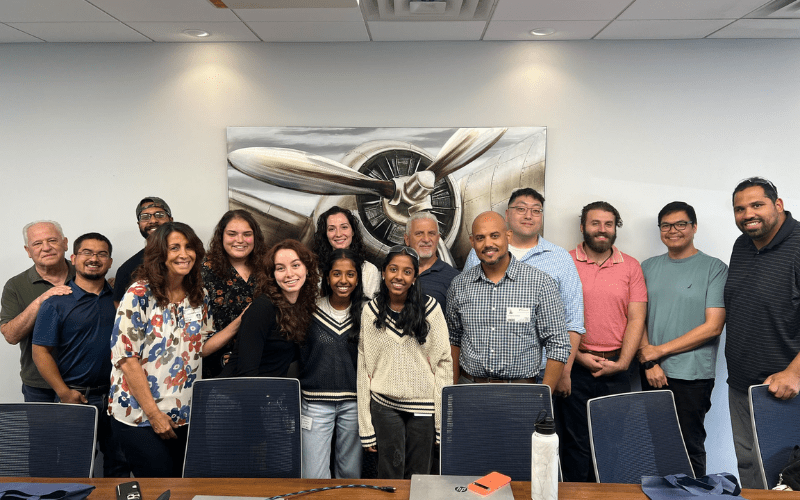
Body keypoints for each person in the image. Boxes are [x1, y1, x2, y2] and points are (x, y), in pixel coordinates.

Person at [109, 222, 240, 477]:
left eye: (189, 247)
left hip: (185, 412)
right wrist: (154, 414)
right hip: (141, 415)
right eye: (174, 248)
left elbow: (199, 347)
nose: (184, 254)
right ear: (160, 254)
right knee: (161, 487)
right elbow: (126, 358)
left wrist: (239, 323)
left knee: (189, 486)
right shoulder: (139, 294)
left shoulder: (198, 294)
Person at [556, 201, 647, 482]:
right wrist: (579, 356)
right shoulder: (564, 260)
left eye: (608, 224)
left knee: (612, 443)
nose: (601, 230)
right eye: (595, 223)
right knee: (575, 444)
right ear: (583, 226)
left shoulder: (631, 266)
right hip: (575, 366)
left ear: (615, 228)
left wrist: (621, 363)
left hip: (617, 369)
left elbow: (636, 318)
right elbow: (554, 314)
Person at [463, 189, 584, 396]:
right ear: (507, 215)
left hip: (541, 373)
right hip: (481, 377)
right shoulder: (479, 254)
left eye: (536, 211)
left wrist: (564, 371)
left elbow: (572, 320)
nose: (529, 216)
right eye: (521, 209)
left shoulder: (559, 258)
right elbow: (465, 311)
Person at [638, 201, 727, 478]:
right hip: (651, 372)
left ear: (694, 227)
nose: (673, 230)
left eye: (680, 224)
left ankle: (694, 496)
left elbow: (713, 327)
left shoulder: (714, 268)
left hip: (693, 375)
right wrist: (648, 362)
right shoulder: (647, 267)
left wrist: (657, 352)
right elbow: (636, 319)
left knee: (689, 446)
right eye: (666, 225)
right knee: (656, 444)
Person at [31, 232, 129, 477]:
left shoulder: (122, 301)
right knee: (74, 466)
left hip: (118, 398)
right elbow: (40, 352)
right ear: (73, 258)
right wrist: (64, 393)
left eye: (101, 254)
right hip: (77, 398)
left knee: (120, 464)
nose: (94, 258)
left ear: (109, 261)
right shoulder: (56, 302)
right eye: (87, 253)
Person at [724, 177, 800, 489]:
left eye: (757, 205)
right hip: (742, 385)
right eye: (740, 208)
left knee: (790, 476)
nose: (748, 214)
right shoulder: (742, 245)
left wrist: (795, 372)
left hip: (789, 389)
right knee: (750, 465)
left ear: (777, 205)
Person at [358, 246, 452, 479]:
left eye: (407, 271)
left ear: (415, 277)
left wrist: (441, 424)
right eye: (393, 269)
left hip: (423, 407)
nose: (399, 276)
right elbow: (364, 369)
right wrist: (366, 428)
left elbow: (444, 365)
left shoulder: (430, 310)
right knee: (389, 474)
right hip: (384, 406)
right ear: (383, 273)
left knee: (420, 475)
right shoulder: (370, 312)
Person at [446, 211, 569, 389]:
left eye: (494, 236)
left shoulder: (540, 283)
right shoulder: (459, 285)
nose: (488, 244)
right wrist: (453, 392)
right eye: (480, 238)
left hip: (522, 391)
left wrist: (542, 397)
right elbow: (453, 340)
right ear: (472, 242)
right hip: (469, 389)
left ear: (508, 236)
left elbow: (558, 344)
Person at [299, 248, 365, 479]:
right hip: (315, 403)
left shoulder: (368, 312)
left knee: (350, 472)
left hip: (354, 404)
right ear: (327, 278)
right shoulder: (310, 310)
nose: (343, 280)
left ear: (358, 278)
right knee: (313, 474)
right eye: (337, 274)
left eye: (350, 274)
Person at [221, 239, 319, 378]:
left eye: (296, 265)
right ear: (272, 275)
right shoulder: (263, 307)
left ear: (307, 269)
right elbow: (246, 372)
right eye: (280, 268)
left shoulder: (302, 307)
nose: (289, 274)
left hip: (271, 392)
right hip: (239, 393)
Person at [1, 220, 74, 402]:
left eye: (52, 240)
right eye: (37, 243)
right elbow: (10, 335)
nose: (46, 248)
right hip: (39, 386)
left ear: (65, 243)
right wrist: (42, 300)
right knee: (42, 432)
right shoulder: (15, 285)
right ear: (28, 251)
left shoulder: (86, 275)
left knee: (88, 432)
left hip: (82, 382)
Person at [201, 209, 267, 378]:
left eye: (247, 234)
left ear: (255, 237)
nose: (240, 240)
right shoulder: (203, 271)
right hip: (216, 365)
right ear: (221, 236)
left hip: (262, 363)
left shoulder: (267, 268)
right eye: (232, 234)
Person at [112, 196, 173, 307]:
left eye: (160, 215)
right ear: (139, 224)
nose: (153, 220)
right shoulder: (127, 270)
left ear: (171, 220)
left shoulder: (191, 258)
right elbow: (119, 306)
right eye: (145, 217)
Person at [313, 206, 380, 299]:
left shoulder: (369, 270)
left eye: (344, 227)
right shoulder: (315, 270)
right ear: (325, 234)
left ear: (353, 231)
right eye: (332, 229)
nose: (338, 234)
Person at [403, 212, 459, 310]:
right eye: (419, 233)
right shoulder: (394, 273)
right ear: (407, 239)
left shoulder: (454, 279)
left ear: (438, 239)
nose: (426, 239)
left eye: (431, 234)